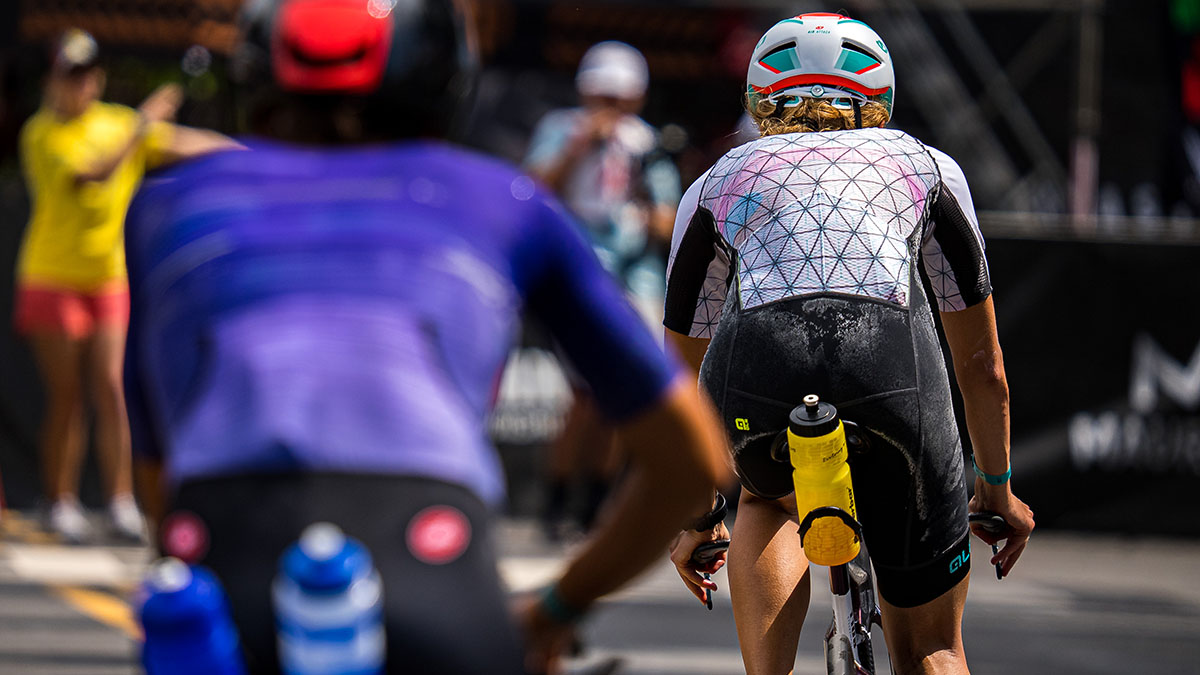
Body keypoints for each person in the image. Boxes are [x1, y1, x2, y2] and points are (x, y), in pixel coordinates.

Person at [122, 1, 728, 673]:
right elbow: (690, 455)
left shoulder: (168, 204)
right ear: (444, 78)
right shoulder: (502, 200)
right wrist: (559, 605)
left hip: (218, 548)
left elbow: (157, 460)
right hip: (431, 548)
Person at [664, 14, 1035, 675]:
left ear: (760, 99)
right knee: (934, 647)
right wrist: (998, 487)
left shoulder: (716, 180)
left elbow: (674, 374)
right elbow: (984, 366)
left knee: (765, 497)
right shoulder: (929, 166)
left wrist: (696, 511)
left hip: (762, 372)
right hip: (892, 368)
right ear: (882, 100)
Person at [14, 29, 236, 543]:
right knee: (68, 397)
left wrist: (253, 155)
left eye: (87, 75)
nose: (80, 86)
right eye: (69, 77)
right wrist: (143, 123)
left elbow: (182, 144)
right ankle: (60, 500)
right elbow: (95, 173)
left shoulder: (116, 123)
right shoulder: (42, 135)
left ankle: (120, 502)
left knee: (113, 389)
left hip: (108, 278)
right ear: (53, 82)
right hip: (52, 278)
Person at [524, 41, 683, 539]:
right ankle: (556, 500)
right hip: (579, 272)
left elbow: (668, 216)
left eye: (621, 98)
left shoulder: (647, 143)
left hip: (635, 277)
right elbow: (532, 192)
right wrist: (578, 147)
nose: (611, 108)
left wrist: (649, 210)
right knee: (582, 395)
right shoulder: (560, 129)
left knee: (624, 394)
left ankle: (597, 504)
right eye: (603, 96)